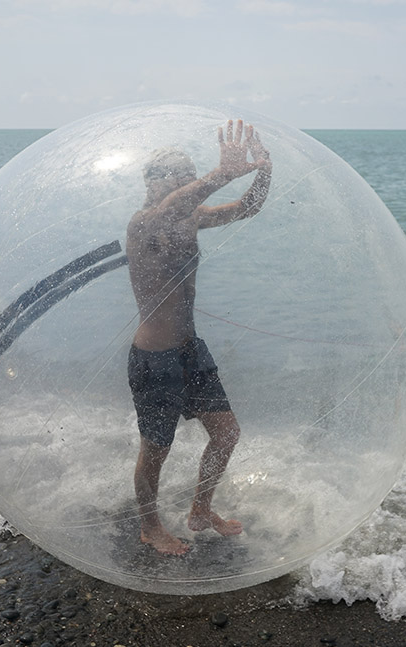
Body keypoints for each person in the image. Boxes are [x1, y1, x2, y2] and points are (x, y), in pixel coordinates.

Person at [126, 119, 271, 555]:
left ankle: (201, 510)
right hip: (155, 357)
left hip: (191, 350)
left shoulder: (190, 219)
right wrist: (222, 172)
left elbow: (249, 207)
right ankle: (150, 526)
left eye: (193, 172)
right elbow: (173, 207)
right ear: (153, 182)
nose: (191, 180)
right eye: (180, 173)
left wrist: (264, 167)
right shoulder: (144, 223)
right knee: (157, 449)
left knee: (226, 433)